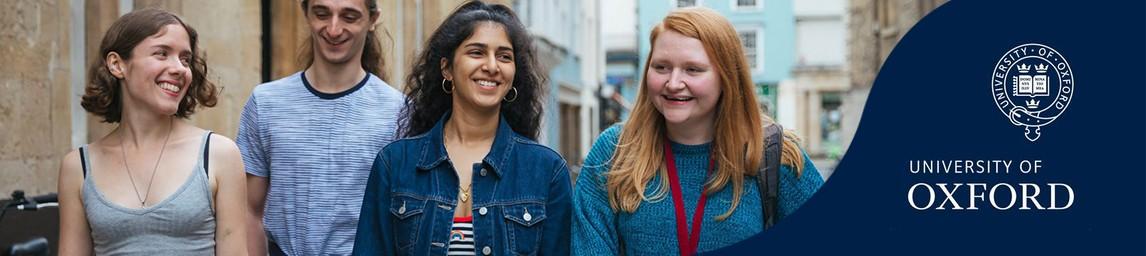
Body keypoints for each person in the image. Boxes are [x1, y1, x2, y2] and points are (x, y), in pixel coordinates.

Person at [571, 7, 825, 255]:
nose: (673, 83)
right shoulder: (613, 152)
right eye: (661, 67)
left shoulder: (773, 154)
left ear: (727, 77)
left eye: (693, 69)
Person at [352, 1, 571, 255]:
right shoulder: (395, 164)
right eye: (476, 52)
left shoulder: (547, 171)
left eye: (504, 56)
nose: (492, 66)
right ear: (447, 68)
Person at [57, 8, 248, 255]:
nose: (179, 68)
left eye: (185, 59)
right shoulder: (78, 166)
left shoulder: (219, 155)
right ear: (117, 64)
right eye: (162, 53)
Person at [237, 0, 404, 255]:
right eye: (322, 14)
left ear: (373, 20)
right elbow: (248, 211)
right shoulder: (265, 103)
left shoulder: (398, 111)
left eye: (349, 17)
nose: (334, 29)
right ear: (306, 13)